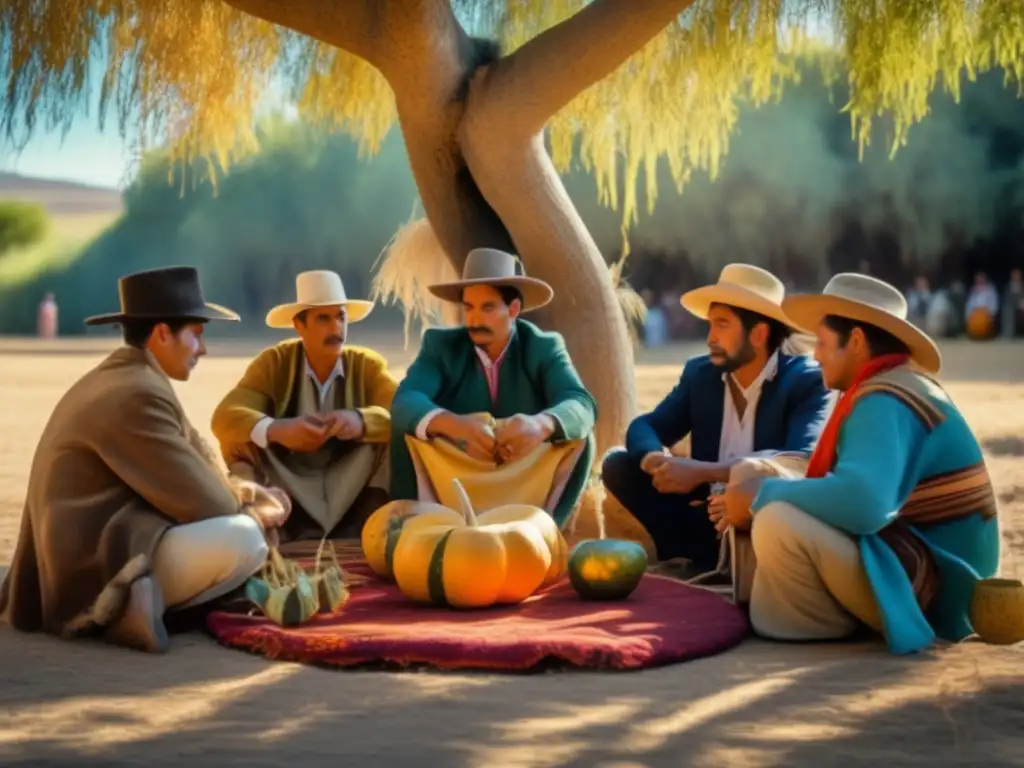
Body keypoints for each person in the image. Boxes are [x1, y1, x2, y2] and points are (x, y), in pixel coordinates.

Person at [0, 266, 283, 654]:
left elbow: (201, 467)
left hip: (100, 544)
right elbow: (211, 503)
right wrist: (257, 512)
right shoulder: (137, 394)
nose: (203, 349)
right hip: (91, 567)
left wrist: (249, 494)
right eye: (196, 335)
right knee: (245, 538)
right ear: (162, 333)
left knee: (244, 529)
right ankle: (118, 607)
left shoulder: (130, 377)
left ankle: (144, 599)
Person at [715, 273, 1000, 654]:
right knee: (757, 478)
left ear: (857, 341)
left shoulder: (884, 400)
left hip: (932, 590)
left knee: (776, 517)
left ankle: (829, 620)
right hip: (913, 559)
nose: (814, 355)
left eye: (822, 343)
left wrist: (761, 496)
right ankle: (799, 612)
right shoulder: (891, 385)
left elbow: (864, 503)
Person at [602, 264, 832, 574]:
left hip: (764, 521)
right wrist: (656, 460)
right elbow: (647, 426)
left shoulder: (806, 382)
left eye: (722, 325)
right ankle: (697, 555)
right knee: (619, 465)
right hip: (704, 518)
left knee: (776, 498)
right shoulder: (700, 375)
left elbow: (799, 461)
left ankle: (730, 561)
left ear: (759, 334)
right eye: (710, 325)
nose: (711, 337)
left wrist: (702, 472)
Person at [389, 248, 596, 528]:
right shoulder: (440, 346)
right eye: (468, 308)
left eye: (487, 307)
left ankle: (546, 530)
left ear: (513, 309)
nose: (474, 320)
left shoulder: (543, 347)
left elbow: (580, 403)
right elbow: (405, 400)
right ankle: (413, 526)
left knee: (581, 437)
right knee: (408, 427)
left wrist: (541, 424)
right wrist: (454, 425)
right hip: (457, 469)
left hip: (522, 470)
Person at [211, 270, 399, 541]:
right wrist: (278, 430)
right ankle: (267, 517)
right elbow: (225, 416)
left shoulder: (367, 365)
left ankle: (366, 520)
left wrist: (360, 421)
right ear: (299, 326)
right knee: (237, 439)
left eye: (341, 317)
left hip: (349, 479)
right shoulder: (274, 363)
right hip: (288, 477)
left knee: (394, 437)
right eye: (323, 318)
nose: (336, 329)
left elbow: (404, 412)